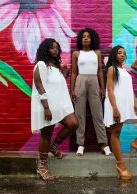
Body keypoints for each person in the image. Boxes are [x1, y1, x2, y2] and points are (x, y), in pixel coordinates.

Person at [104, 45, 137, 180]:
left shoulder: (125, 71)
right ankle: (120, 165)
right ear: (114, 55)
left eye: (124, 53)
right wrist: (115, 108)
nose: (122, 55)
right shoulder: (112, 69)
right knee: (116, 133)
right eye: (119, 53)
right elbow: (110, 90)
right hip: (116, 104)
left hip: (129, 104)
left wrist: (135, 103)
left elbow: (129, 89)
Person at [31, 38, 79, 180]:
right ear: (46, 49)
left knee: (73, 124)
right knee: (46, 135)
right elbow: (40, 85)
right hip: (47, 105)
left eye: (57, 48)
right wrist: (46, 107)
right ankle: (42, 167)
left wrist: (64, 72)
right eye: (52, 48)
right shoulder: (41, 64)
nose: (55, 50)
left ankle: (54, 146)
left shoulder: (56, 66)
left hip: (60, 105)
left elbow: (56, 84)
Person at [71, 28, 111, 156]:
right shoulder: (76, 54)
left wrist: (102, 87)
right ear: (80, 39)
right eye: (83, 36)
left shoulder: (97, 53)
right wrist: (72, 90)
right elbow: (73, 72)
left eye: (88, 36)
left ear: (92, 39)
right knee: (79, 115)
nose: (86, 38)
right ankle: (80, 144)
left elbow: (100, 71)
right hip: (80, 80)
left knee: (98, 114)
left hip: (94, 81)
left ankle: (104, 144)